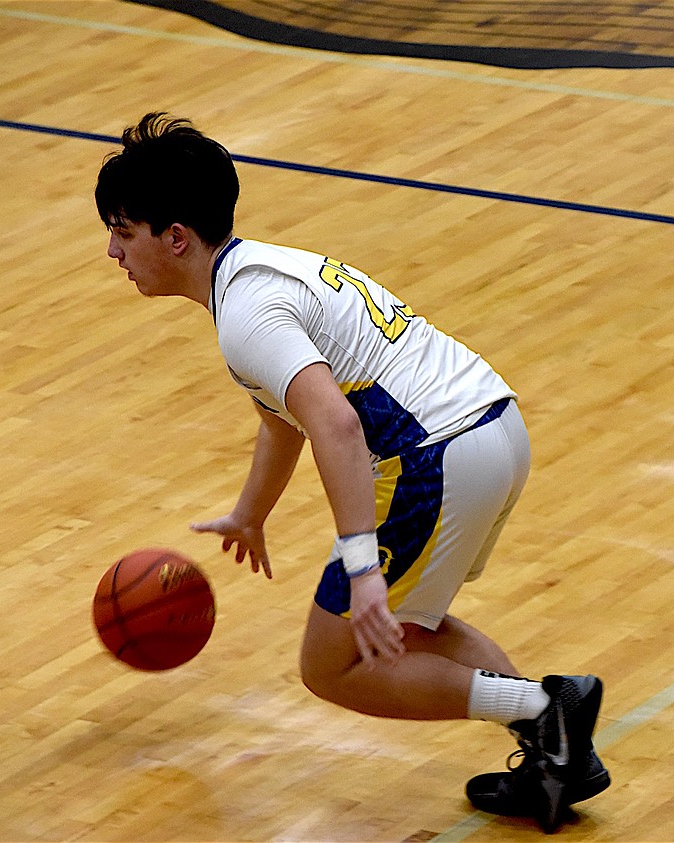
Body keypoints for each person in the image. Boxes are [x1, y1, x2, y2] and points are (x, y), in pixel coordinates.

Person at [94, 112, 609, 832]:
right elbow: (284, 418)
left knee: (332, 662)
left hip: (435, 456)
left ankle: (545, 710)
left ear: (174, 237)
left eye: (122, 230)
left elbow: (333, 422)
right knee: (410, 628)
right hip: (492, 424)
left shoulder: (247, 313)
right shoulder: (257, 271)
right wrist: (251, 511)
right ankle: (553, 744)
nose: (112, 250)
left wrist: (362, 565)